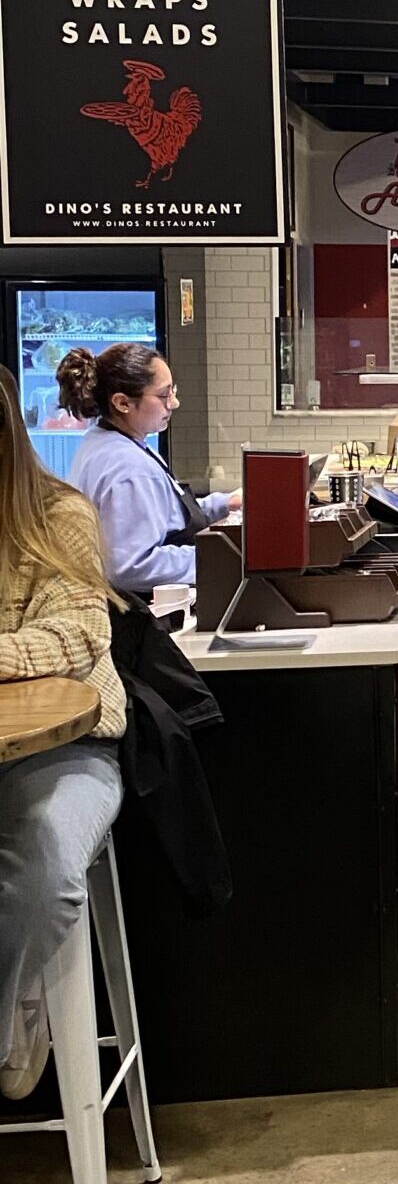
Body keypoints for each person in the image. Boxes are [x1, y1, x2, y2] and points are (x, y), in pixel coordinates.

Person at [0, 368, 124, 1099]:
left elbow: (82, 627)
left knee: (42, 864)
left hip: (65, 746)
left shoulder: (57, 512)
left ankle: (10, 1014)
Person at [60, 344, 234, 599]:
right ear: (122, 403)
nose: (174, 403)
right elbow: (131, 565)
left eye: (173, 390)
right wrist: (220, 557)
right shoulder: (126, 467)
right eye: (163, 395)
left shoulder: (112, 440)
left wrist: (224, 504)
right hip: (141, 615)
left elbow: (167, 513)